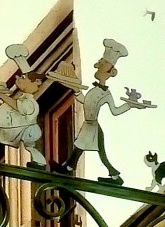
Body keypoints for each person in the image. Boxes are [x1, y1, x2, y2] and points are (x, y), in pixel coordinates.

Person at [65, 39, 155, 184]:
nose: (97, 69)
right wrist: (76, 91)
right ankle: (68, 167)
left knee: (100, 154)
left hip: (93, 127)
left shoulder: (105, 94)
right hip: (88, 125)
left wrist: (129, 106)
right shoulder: (94, 90)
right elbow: (85, 101)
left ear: (108, 73)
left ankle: (114, 176)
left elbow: (115, 111)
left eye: (101, 67)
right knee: (79, 147)